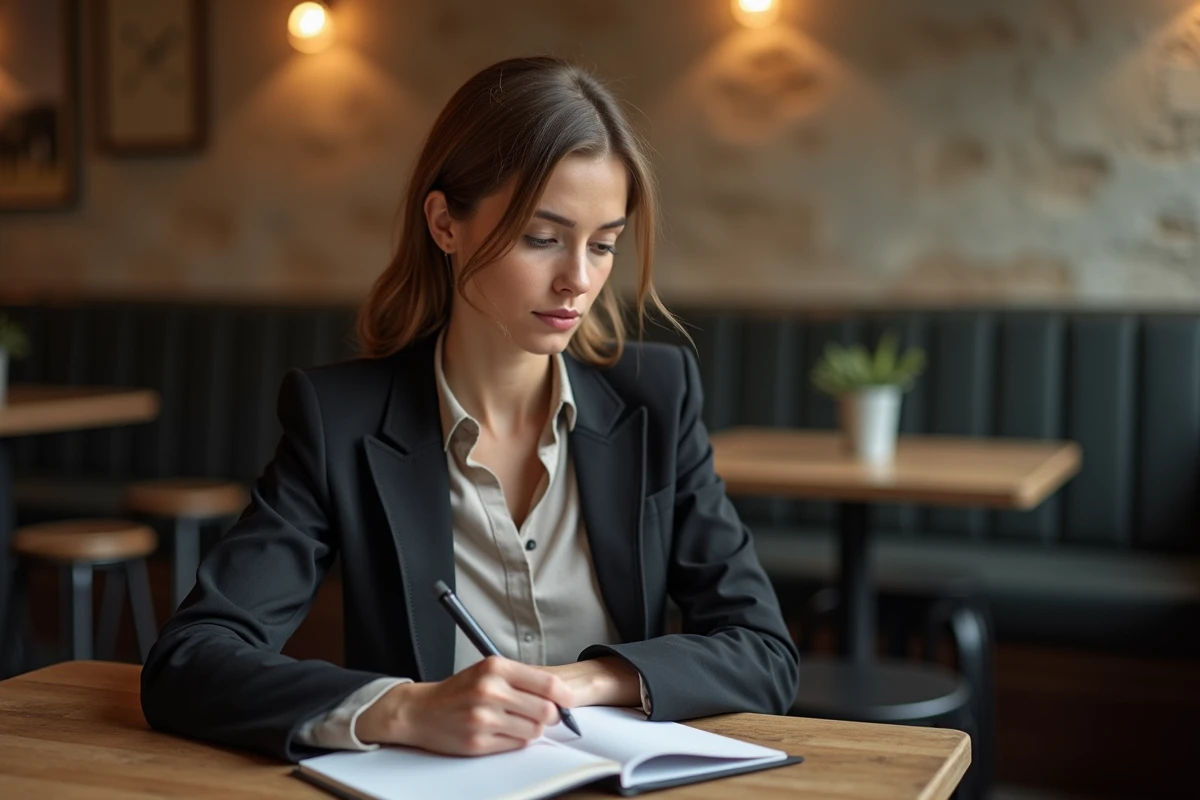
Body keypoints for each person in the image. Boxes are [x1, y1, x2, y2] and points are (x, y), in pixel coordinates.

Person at [140, 56, 798, 763]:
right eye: (542, 238)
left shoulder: (657, 397)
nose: (579, 279)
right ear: (444, 222)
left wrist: (584, 682)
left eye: (604, 244)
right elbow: (189, 661)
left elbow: (762, 651)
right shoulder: (341, 421)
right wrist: (402, 708)